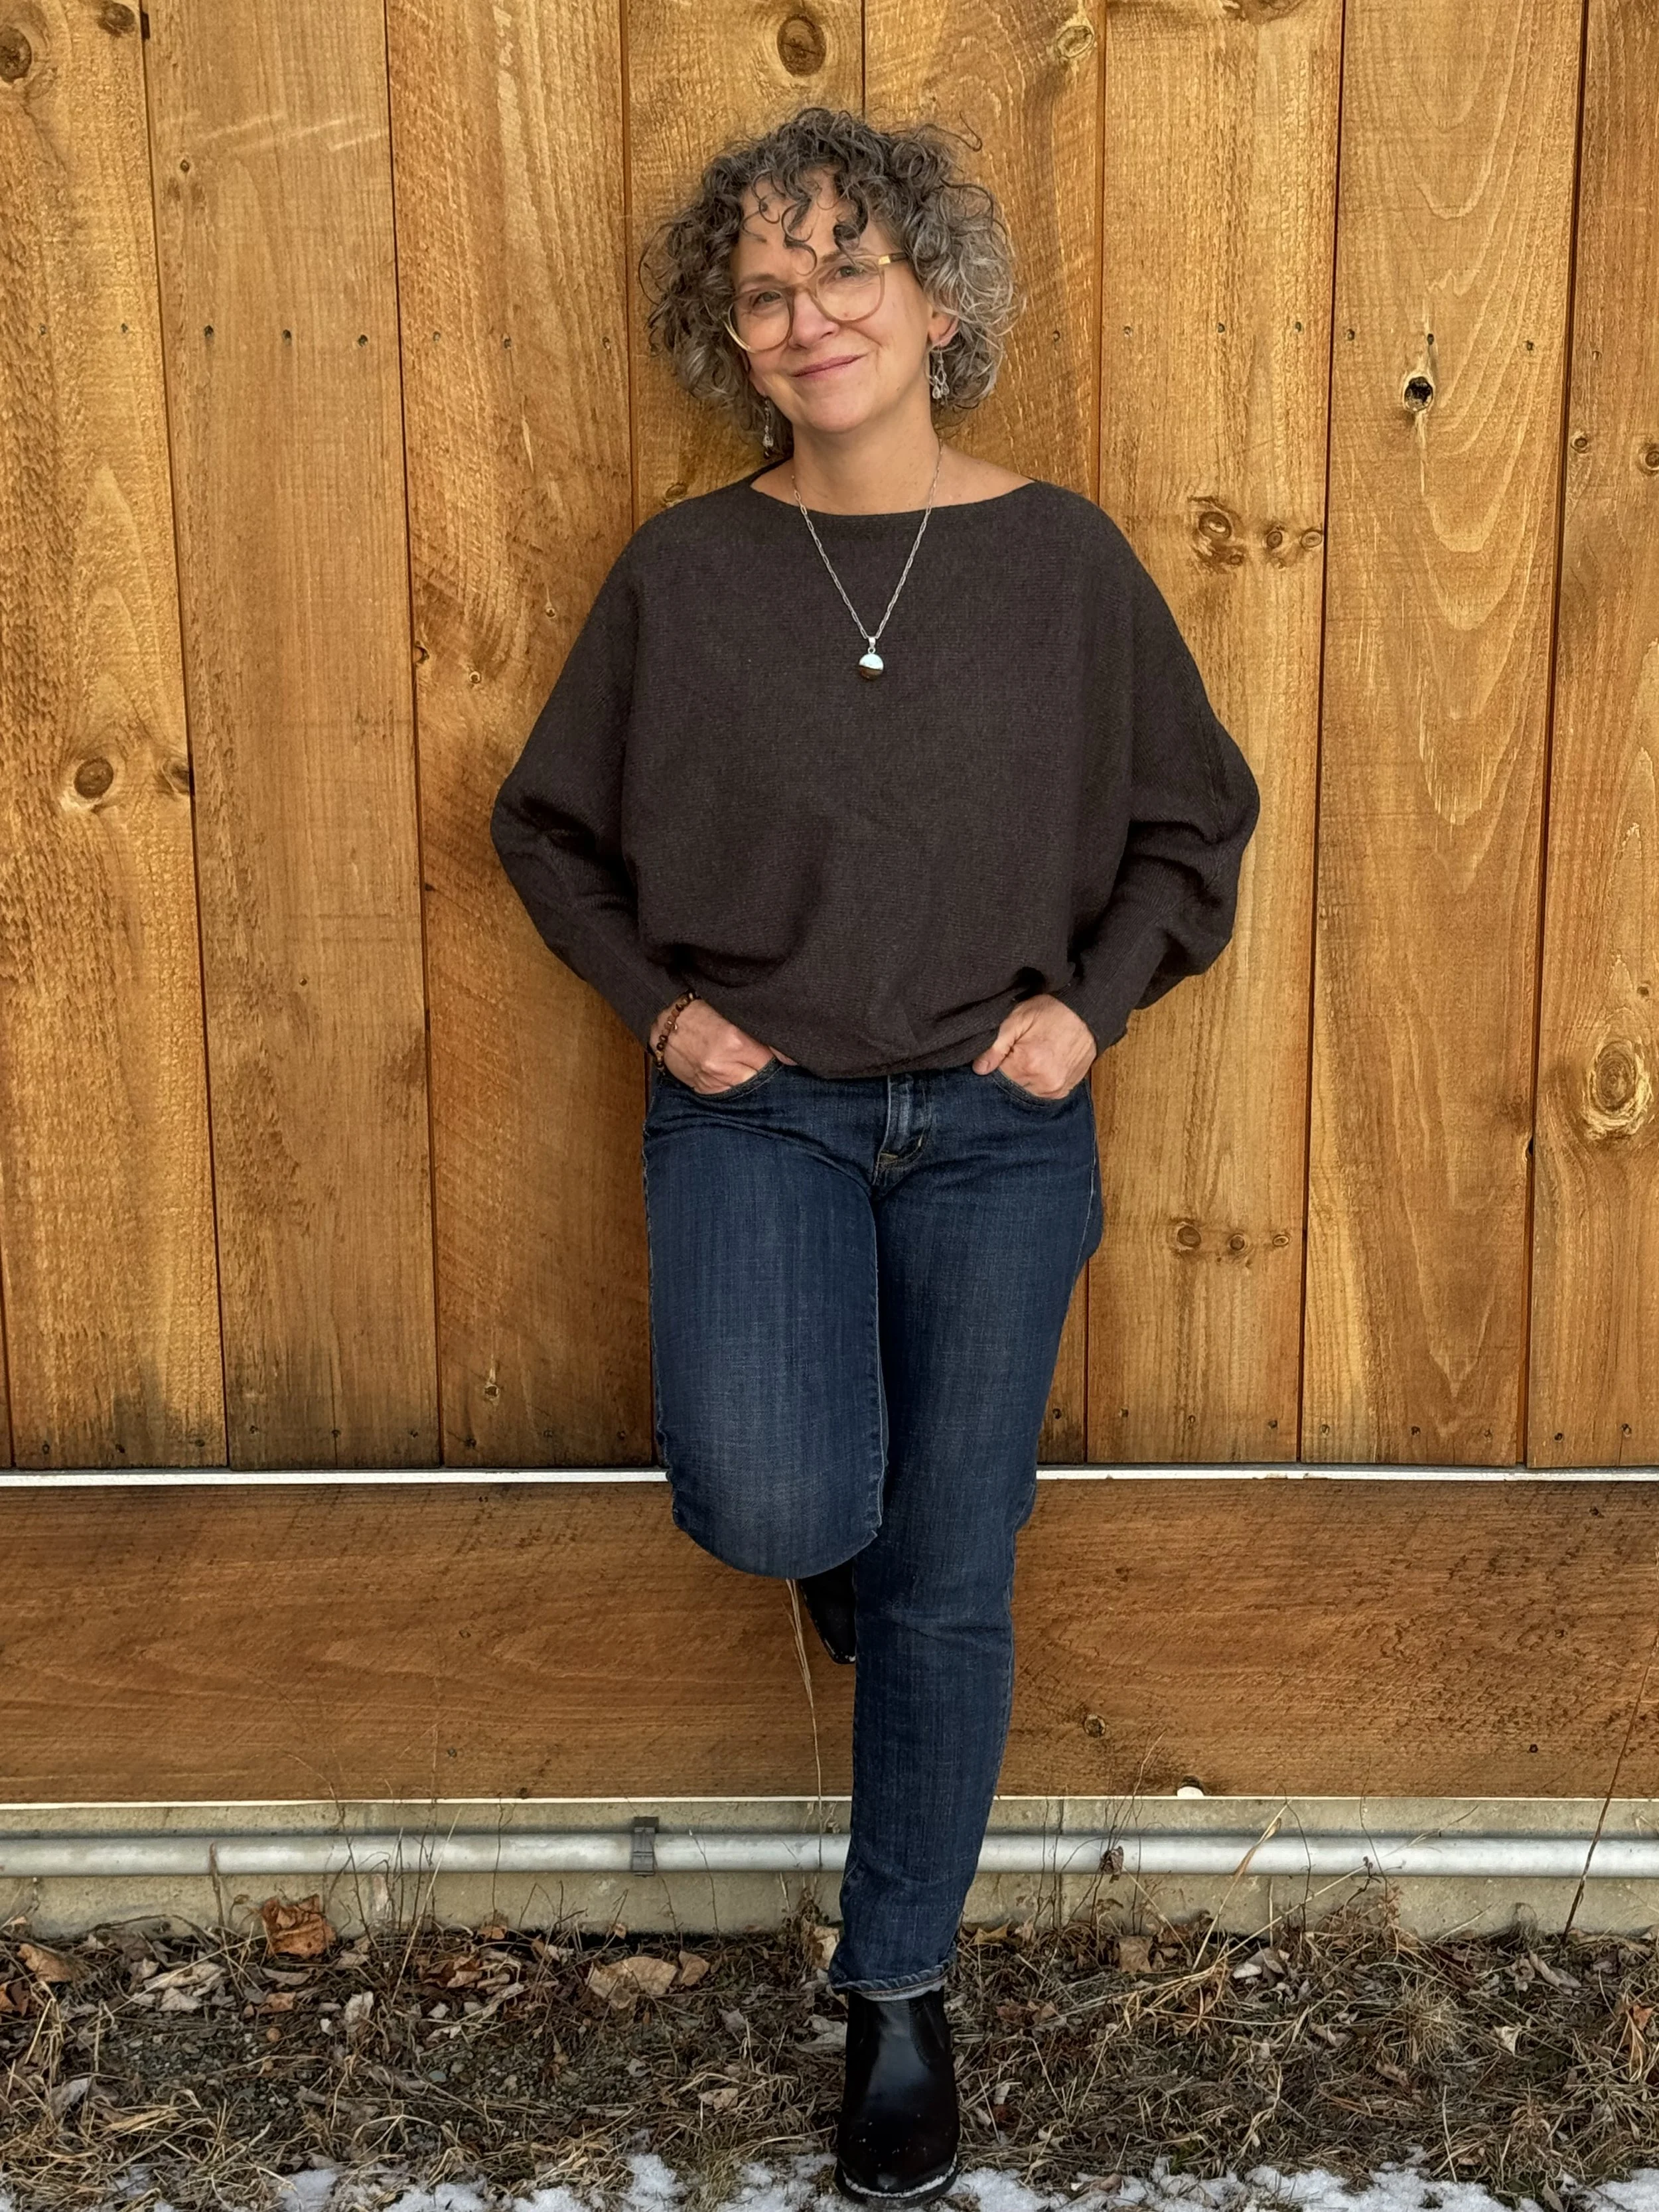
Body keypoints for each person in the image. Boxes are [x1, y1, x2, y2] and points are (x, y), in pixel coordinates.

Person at [490, 104, 1260, 2206]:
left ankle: (899, 1990)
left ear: (935, 301)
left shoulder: (1062, 562)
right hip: (763, 1112)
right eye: (763, 287)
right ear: (728, 336)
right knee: (778, 1495)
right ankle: (852, 1553)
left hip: (999, 1132)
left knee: (948, 1572)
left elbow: (1193, 821)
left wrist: (1087, 1009)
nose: (806, 313)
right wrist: (662, 1009)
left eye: (845, 267)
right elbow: (542, 828)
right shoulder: (684, 574)